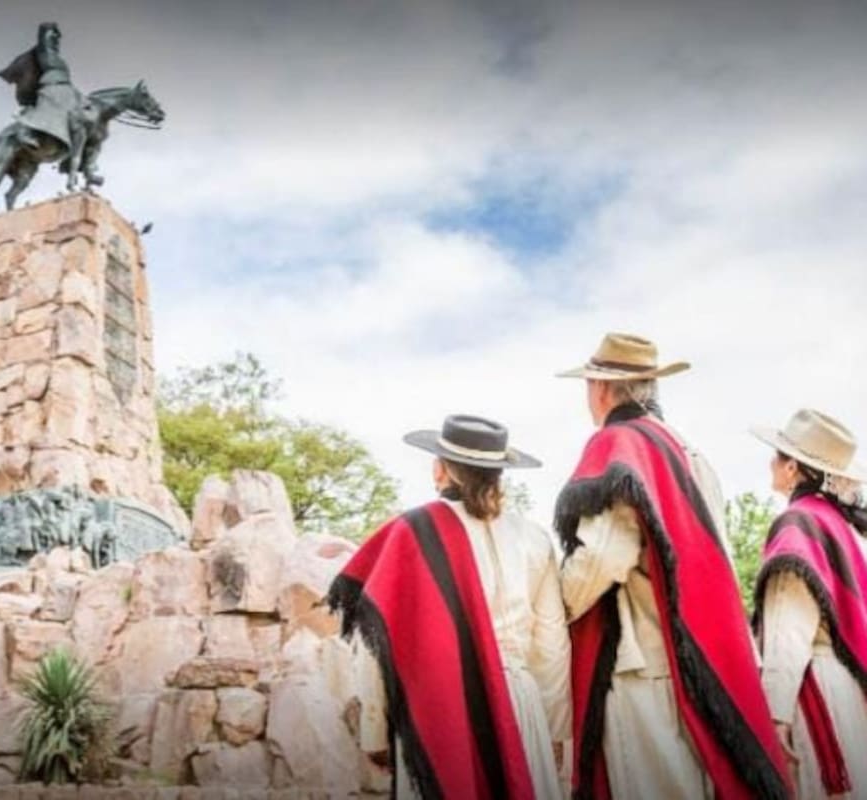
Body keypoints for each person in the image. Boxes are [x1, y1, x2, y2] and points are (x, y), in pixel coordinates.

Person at [554, 332, 789, 799]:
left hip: (639, 663)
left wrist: (551, 610)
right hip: (696, 656)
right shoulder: (687, 450)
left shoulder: (618, 444)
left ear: (600, 389)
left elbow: (604, 556)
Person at [329, 414, 569, 799]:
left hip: (442, 705)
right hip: (520, 704)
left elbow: (380, 645)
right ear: (498, 474)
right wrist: (555, 730)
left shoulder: (409, 534)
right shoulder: (534, 538)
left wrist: (375, 728)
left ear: (439, 470)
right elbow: (553, 645)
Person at [752, 409, 867, 798]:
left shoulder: (799, 525)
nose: (771, 462)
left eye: (778, 455)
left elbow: (788, 630)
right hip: (848, 690)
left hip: (813, 687)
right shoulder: (843, 526)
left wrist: (776, 714)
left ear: (793, 468)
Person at [0, 22, 84, 152]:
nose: (56, 41)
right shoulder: (47, 55)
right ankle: (25, 131)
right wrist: (49, 30)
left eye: (56, 39)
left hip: (66, 90)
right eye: (53, 38)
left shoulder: (58, 60)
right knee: (46, 110)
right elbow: (45, 44)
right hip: (52, 90)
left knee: (83, 115)